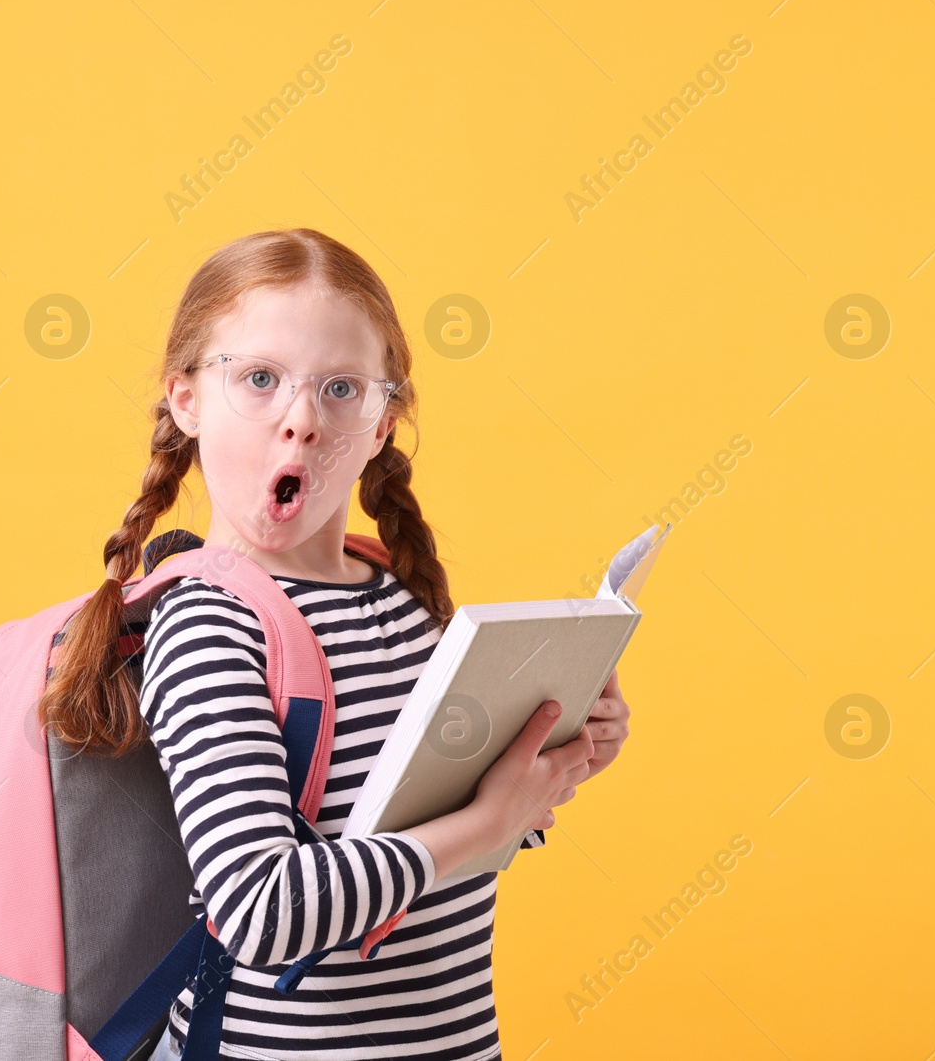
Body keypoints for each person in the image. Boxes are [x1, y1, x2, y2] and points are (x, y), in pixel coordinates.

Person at [37, 227, 631, 1060]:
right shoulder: (211, 621)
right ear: (185, 399)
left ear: (384, 421)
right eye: (259, 379)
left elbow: (425, 839)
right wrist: (485, 821)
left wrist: (550, 767)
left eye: (342, 388)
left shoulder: (401, 594)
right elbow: (258, 906)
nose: (303, 421)